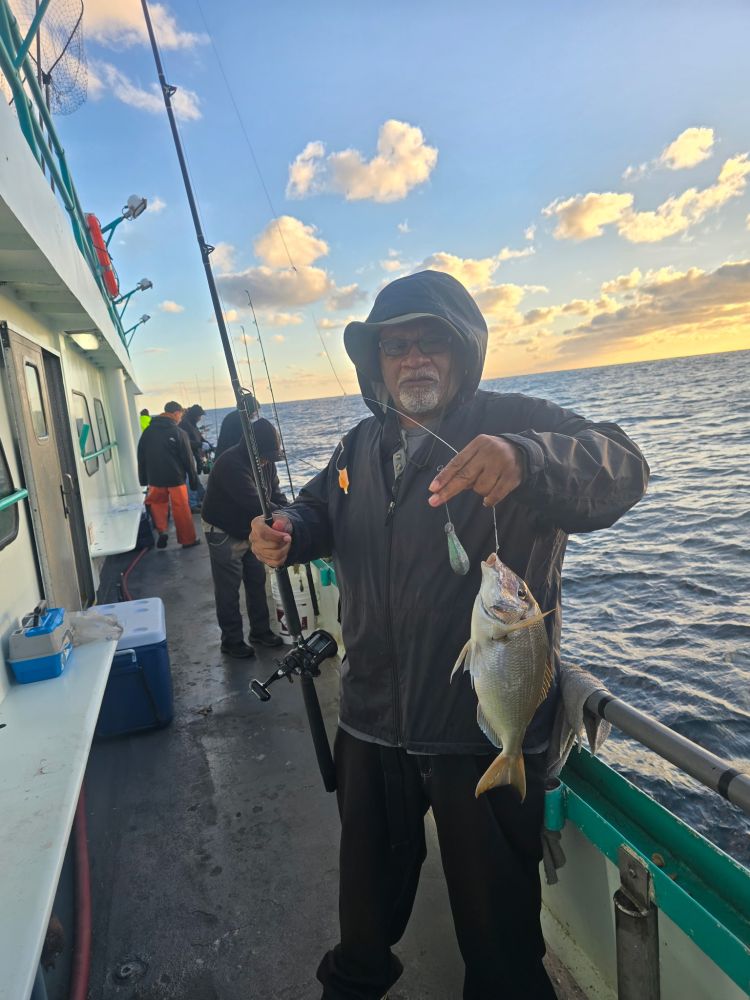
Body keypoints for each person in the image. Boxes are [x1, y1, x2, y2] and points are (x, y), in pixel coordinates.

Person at [250, 270, 650, 1000]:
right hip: (371, 723)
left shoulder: (516, 419)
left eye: (431, 342)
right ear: (374, 363)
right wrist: (286, 533)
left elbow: (623, 468)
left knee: (499, 948)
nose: (413, 360)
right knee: (361, 923)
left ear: (464, 352)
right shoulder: (357, 447)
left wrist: (526, 458)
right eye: (395, 346)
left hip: (480, 737)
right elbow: (318, 511)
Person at [202, 417, 287, 658]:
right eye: (264, 455)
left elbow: (276, 495)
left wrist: (294, 512)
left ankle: (260, 631)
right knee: (228, 589)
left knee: (256, 579)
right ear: (251, 448)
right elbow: (256, 504)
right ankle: (231, 640)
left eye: (271, 456)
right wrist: (283, 518)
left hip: (249, 529)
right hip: (223, 531)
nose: (267, 460)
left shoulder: (267, 462)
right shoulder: (230, 464)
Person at [137, 401, 201, 550]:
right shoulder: (179, 433)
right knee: (181, 509)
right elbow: (188, 459)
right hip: (176, 478)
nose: (181, 418)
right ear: (175, 413)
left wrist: (143, 479)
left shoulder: (148, 432)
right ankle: (187, 540)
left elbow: (141, 456)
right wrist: (193, 480)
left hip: (154, 478)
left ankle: (162, 531)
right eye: (181, 414)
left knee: (157, 505)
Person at [180, 403, 210, 511]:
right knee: (190, 480)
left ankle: (198, 501)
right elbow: (186, 441)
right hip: (188, 455)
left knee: (194, 479)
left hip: (194, 455)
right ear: (194, 415)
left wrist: (207, 444)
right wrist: (200, 445)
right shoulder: (184, 424)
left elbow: (198, 436)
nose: (200, 418)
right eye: (199, 416)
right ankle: (193, 505)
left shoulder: (192, 423)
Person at [215, 390, 259, 458]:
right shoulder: (240, 420)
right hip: (229, 459)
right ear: (251, 409)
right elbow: (241, 443)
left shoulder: (233, 416)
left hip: (223, 456)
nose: (256, 414)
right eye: (255, 411)